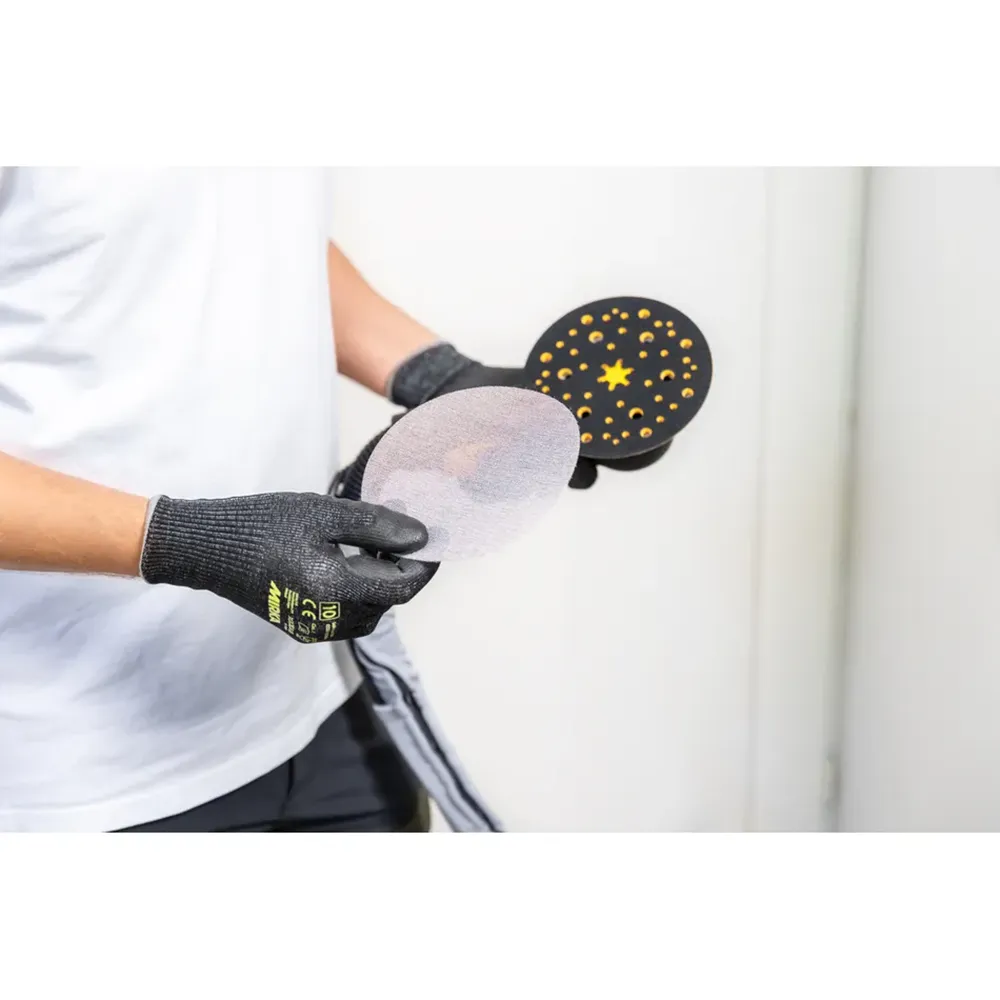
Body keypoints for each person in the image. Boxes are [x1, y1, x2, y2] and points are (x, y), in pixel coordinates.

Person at [0, 168, 665, 833]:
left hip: (319, 700)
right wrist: (189, 541)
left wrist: (438, 375)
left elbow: (239, 236)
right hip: (79, 770)